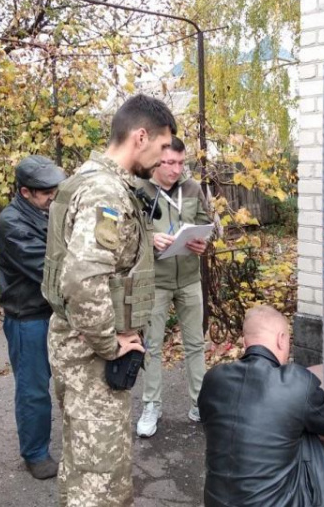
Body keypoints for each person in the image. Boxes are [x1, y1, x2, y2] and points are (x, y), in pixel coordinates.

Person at [42, 94, 176, 506]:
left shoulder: (89, 178)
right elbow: (82, 278)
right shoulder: (106, 191)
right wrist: (108, 343)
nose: (162, 159)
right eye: (161, 147)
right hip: (90, 354)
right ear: (140, 137)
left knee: (83, 460)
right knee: (100, 478)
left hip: (73, 343)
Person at [198, 305, 324, 507]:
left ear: (246, 342)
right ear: (281, 339)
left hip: (217, 502)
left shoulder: (213, 380)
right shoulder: (294, 382)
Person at [0, 155, 66, 479]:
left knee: (66, 382)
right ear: (25, 192)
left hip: (53, 312)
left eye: (55, 187)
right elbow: (49, 269)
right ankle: (35, 454)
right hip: (28, 318)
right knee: (33, 389)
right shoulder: (12, 223)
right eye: (45, 190)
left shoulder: (48, 212)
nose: (53, 194)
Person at [135, 136, 211, 437]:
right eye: (169, 163)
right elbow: (126, 231)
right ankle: (151, 405)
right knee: (152, 347)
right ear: (156, 161)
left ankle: (199, 404)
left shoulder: (192, 189)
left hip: (190, 278)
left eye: (181, 163)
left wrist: (202, 240)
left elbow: (206, 221)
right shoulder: (138, 190)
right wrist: (149, 237)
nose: (177, 170)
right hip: (155, 281)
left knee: (195, 344)